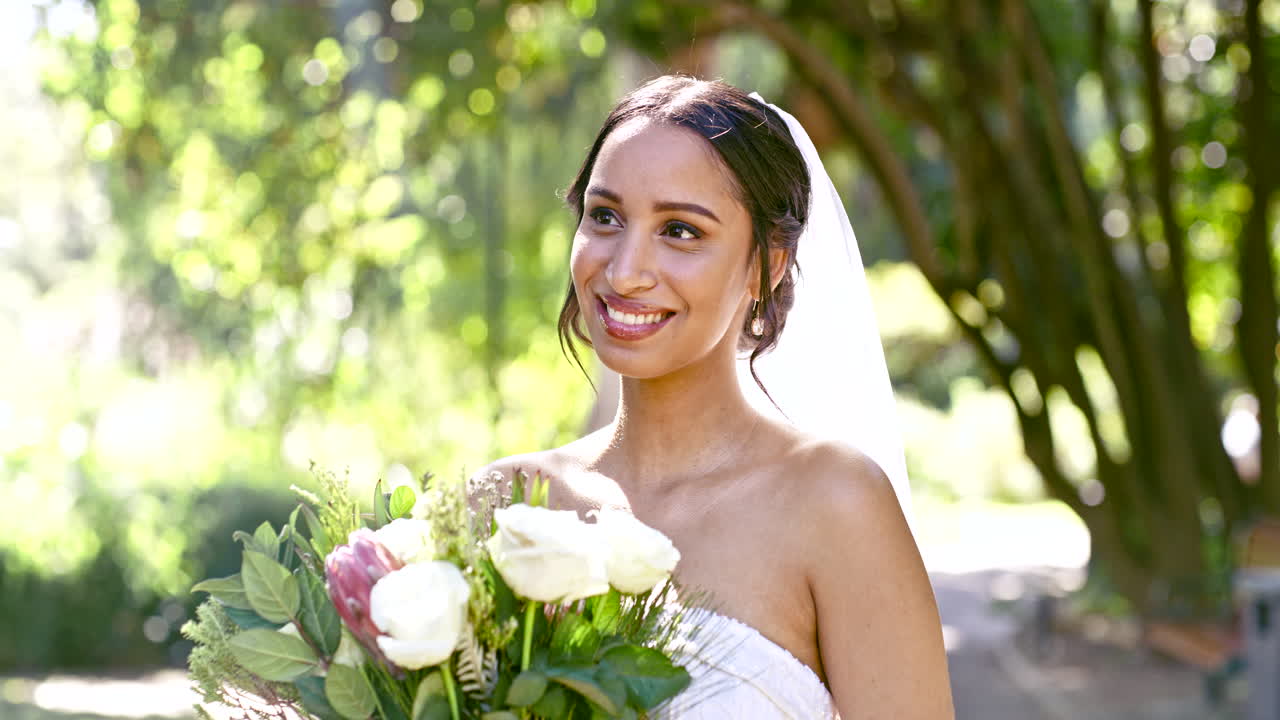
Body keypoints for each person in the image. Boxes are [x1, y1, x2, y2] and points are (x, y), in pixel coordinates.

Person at [479, 75, 954, 719]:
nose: (623, 272)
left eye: (680, 231)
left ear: (768, 265)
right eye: (606, 217)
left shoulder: (836, 505)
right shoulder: (503, 502)